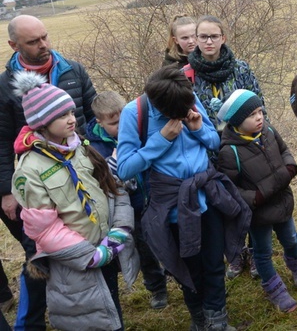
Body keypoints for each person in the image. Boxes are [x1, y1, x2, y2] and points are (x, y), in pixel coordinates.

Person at [117, 66, 251, 331]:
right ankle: (199, 318)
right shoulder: (134, 114)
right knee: (190, 268)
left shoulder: (187, 98)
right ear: (160, 106)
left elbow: (214, 141)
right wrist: (160, 140)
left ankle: (218, 320)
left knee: (213, 262)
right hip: (172, 206)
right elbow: (125, 168)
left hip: (207, 196)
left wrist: (199, 128)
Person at [10, 71, 138, 331]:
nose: (71, 119)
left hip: (106, 249)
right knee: (87, 316)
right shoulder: (30, 170)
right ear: (42, 122)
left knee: (110, 306)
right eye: (62, 116)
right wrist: (89, 256)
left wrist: (119, 230)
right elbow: (43, 229)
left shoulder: (79, 148)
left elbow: (112, 188)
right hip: (77, 261)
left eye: (70, 112)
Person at [0, 14, 97, 330]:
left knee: (82, 241)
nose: (43, 45)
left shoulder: (72, 70)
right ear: (14, 45)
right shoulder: (4, 88)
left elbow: (93, 120)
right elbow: (2, 143)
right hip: (37, 186)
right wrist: (5, 193)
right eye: (33, 41)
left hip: (79, 174)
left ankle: (87, 312)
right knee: (38, 256)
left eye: (45, 37)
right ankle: (29, 324)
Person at [215, 90, 297, 313]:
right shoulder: (229, 152)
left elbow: (285, 150)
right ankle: (274, 289)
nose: (259, 117)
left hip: (283, 203)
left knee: (291, 239)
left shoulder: (267, 130)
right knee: (263, 251)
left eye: (260, 112)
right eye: (252, 115)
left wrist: (290, 167)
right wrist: (255, 197)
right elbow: (231, 189)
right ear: (238, 121)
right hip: (258, 213)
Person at [185, 15, 263, 279]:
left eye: (214, 36)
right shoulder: (187, 76)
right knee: (222, 202)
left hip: (242, 147)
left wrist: (258, 139)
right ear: (195, 39)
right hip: (207, 150)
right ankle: (234, 252)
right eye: (203, 36)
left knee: (249, 199)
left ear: (223, 38)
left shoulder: (240, 69)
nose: (208, 41)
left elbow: (257, 103)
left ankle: (255, 251)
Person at [85, 90, 169, 310]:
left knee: (168, 237)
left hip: (154, 197)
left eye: (124, 119)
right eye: (114, 123)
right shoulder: (94, 149)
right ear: (100, 122)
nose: (121, 127)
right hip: (131, 207)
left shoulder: (139, 129)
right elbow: (102, 180)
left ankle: (175, 271)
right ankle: (157, 286)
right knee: (144, 248)